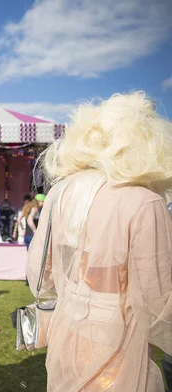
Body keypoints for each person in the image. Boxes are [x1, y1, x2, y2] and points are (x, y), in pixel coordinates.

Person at [27, 92, 172, 391]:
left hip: (68, 331)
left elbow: (42, 275)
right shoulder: (145, 202)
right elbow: (158, 301)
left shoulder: (62, 191)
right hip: (118, 339)